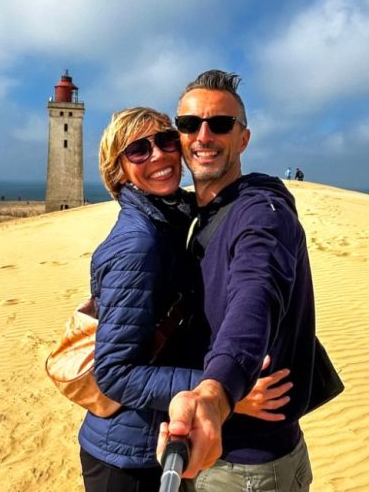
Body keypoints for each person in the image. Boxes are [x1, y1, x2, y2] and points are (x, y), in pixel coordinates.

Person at [78, 107, 291, 492]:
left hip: (160, 442)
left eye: (165, 140)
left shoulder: (173, 218)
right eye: (138, 151)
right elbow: (114, 373)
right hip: (127, 459)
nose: (158, 155)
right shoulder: (138, 245)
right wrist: (223, 393)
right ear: (118, 171)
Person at [160, 70, 318, 490]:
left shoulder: (260, 215)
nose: (203, 135)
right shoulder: (203, 212)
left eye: (221, 124)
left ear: (243, 138)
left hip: (244, 469)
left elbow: (257, 295)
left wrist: (217, 393)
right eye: (190, 124)